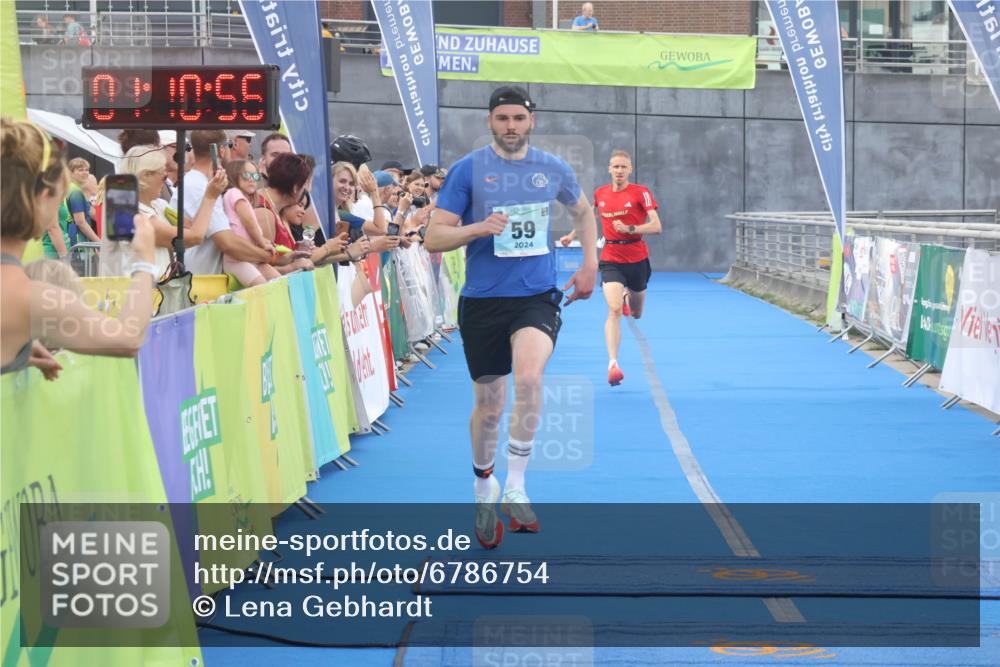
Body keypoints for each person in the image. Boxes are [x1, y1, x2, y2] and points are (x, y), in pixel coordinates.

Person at [424, 85, 598, 549]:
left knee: (530, 379)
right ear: (490, 122)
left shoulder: (552, 168)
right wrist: (479, 227)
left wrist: (589, 265)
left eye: (518, 118)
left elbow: (585, 213)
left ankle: (517, 484)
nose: (511, 127)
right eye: (502, 119)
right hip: (483, 301)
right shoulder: (468, 171)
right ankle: (484, 486)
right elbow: (433, 238)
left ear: (531, 121)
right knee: (490, 408)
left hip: (536, 296)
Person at [2, 118, 156, 379]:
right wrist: (144, 263)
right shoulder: (31, 297)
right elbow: (127, 338)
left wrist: (15, 354)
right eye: (59, 197)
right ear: (41, 198)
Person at [559, 150, 660, 386]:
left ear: (630, 170)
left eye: (624, 167)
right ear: (609, 169)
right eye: (615, 167)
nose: (619, 171)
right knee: (613, 310)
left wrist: (631, 229)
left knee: (636, 313)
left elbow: (656, 225)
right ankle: (613, 363)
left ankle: (628, 298)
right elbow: (590, 216)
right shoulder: (601, 193)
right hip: (611, 257)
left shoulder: (640, 192)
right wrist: (572, 235)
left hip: (637, 259)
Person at [222, 159, 281, 286]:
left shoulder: (243, 199)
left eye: (255, 175)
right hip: (237, 260)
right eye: (246, 175)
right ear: (234, 175)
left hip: (251, 258)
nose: (251, 179)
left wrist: (264, 241)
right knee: (262, 288)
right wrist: (262, 243)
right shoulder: (234, 193)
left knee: (279, 283)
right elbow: (248, 222)